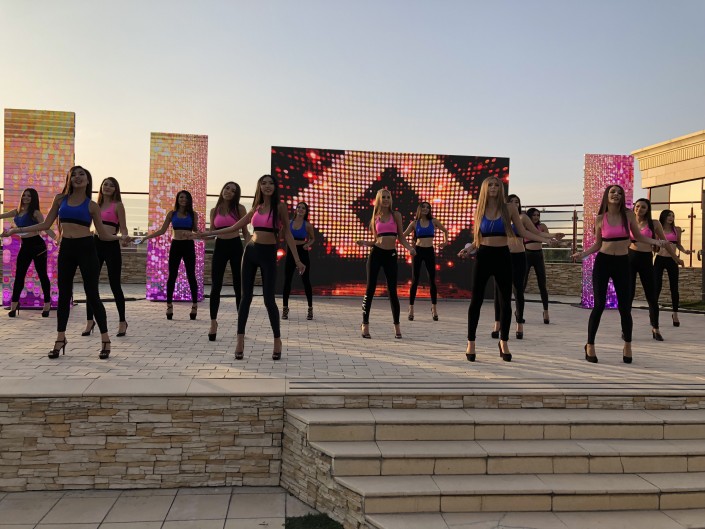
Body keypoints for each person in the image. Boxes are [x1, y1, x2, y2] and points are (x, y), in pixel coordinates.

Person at [2, 166, 126, 359]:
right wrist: (16, 230)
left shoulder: (92, 206)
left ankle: (105, 339)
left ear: (88, 180)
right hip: (67, 249)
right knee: (64, 296)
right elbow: (46, 224)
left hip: (87, 249)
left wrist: (121, 237)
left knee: (92, 295)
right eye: (73, 174)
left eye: (81, 174)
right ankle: (60, 339)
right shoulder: (60, 200)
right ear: (69, 179)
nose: (77, 177)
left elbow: (103, 234)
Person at [199, 174, 305, 360]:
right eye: (263, 183)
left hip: (268, 254)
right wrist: (204, 234)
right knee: (245, 298)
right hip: (251, 252)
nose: (267, 186)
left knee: (268, 300)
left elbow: (288, 234)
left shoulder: (280, 207)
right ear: (259, 187)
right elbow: (234, 227)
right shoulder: (256, 207)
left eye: (270, 183)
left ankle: (277, 340)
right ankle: (240, 340)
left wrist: (297, 259)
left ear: (275, 187)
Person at [458, 177, 553, 362]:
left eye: (497, 185)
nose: (494, 188)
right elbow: (478, 239)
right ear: (485, 188)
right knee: (476, 301)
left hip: (503, 256)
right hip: (483, 256)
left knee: (505, 302)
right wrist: (468, 249)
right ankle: (471, 342)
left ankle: (504, 342)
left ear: (501, 189)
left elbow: (523, 232)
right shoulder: (479, 209)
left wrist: (545, 239)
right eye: (490, 185)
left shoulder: (509, 208)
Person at [572, 186, 665, 364]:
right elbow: (597, 244)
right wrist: (583, 254)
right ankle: (590, 344)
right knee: (599, 305)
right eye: (613, 192)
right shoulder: (600, 218)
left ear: (622, 198)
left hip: (623, 263)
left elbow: (638, 236)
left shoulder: (628, 215)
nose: (616, 194)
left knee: (624, 307)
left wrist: (656, 241)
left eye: (620, 193)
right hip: (603, 262)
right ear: (607, 196)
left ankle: (627, 345)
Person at [490, 196, 563, 340]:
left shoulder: (523, 218)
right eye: (511, 202)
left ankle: (519, 323)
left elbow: (536, 232)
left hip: (519, 257)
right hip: (502, 256)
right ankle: (497, 323)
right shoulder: (501, 217)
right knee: (498, 291)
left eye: (517, 202)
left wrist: (552, 235)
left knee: (518, 290)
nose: (514, 204)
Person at [356, 189, 416, 340]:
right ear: (378, 199)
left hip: (391, 255)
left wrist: (410, 248)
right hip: (376, 254)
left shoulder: (396, 215)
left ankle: (397, 327)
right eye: (383, 197)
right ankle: (365, 324)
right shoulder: (375, 217)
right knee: (370, 289)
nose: (386, 199)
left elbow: (401, 237)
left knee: (392, 292)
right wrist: (365, 243)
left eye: (388, 197)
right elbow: (376, 240)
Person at [142, 190, 199, 321]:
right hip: (176, 246)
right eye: (181, 197)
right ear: (177, 199)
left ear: (189, 200)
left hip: (188, 246)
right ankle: (169, 306)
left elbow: (196, 230)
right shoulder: (171, 214)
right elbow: (162, 230)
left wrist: (207, 234)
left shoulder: (193, 214)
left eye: (186, 198)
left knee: (191, 275)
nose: (183, 199)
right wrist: (147, 237)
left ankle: (194, 305)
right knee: (172, 276)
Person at [628, 198, 680, 341]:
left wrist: (675, 258)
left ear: (648, 210)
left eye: (643, 207)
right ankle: (625, 328)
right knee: (629, 295)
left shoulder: (654, 223)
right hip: (630, 259)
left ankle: (655, 328)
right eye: (637, 206)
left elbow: (665, 242)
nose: (639, 209)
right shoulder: (629, 222)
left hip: (646, 259)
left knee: (651, 295)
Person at [84, 178, 129, 337]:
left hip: (112, 246)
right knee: (91, 284)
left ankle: (122, 321)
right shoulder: (94, 205)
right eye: (105, 184)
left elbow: (123, 228)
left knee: (115, 285)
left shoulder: (118, 205)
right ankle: (90, 321)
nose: (108, 187)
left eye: (111, 185)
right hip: (95, 244)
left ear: (116, 189)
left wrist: (124, 238)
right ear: (101, 187)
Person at [0, 188, 55, 317]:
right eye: (24, 195)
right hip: (25, 246)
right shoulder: (17, 211)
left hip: (38, 246)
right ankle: (14, 306)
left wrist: (57, 239)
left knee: (42, 275)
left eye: (29, 196)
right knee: (19, 275)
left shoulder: (35, 213)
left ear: (33, 198)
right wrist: (7, 233)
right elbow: (2, 216)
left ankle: (47, 304)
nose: (25, 197)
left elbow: (46, 227)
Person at [207, 181, 249, 341]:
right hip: (220, 247)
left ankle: (240, 326)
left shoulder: (240, 209)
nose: (229, 192)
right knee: (215, 286)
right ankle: (213, 323)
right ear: (222, 189)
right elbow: (211, 233)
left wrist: (251, 249)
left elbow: (245, 232)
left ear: (236, 194)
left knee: (239, 286)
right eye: (227, 188)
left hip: (236, 246)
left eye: (233, 190)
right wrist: (196, 235)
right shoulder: (214, 210)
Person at [402, 201, 449, 322]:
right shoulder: (414, 223)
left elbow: (445, 230)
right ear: (419, 209)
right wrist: (410, 248)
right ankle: (411, 309)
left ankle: (434, 309)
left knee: (432, 280)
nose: (426, 209)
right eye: (423, 207)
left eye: (428, 207)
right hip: (418, 251)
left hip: (429, 251)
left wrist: (445, 242)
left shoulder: (434, 221)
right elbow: (402, 236)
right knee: (415, 280)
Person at [524, 208, 562, 325]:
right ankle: (519, 311)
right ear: (529, 216)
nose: (536, 217)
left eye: (538, 215)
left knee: (542, 284)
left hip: (538, 256)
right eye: (534, 215)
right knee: (523, 284)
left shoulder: (542, 226)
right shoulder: (524, 226)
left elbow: (549, 240)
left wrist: (558, 241)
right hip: (526, 255)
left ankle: (546, 312)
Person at [655, 209, 691, 327]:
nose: (671, 218)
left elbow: (678, 244)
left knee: (674, 288)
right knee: (657, 287)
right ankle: (653, 313)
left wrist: (685, 251)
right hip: (660, 259)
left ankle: (675, 314)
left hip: (672, 260)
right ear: (663, 217)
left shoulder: (677, 229)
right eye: (668, 216)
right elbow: (654, 245)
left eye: (672, 216)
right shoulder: (658, 229)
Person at [282, 202, 315, 321]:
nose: (301, 209)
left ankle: (310, 308)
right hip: (291, 251)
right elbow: (283, 235)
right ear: (295, 210)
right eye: (299, 207)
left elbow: (312, 238)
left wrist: (308, 244)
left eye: (303, 208)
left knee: (306, 281)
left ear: (306, 211)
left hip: (302, 252)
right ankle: (285, 308)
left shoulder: (307, 225)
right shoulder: (289, 223)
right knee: (287, 280)